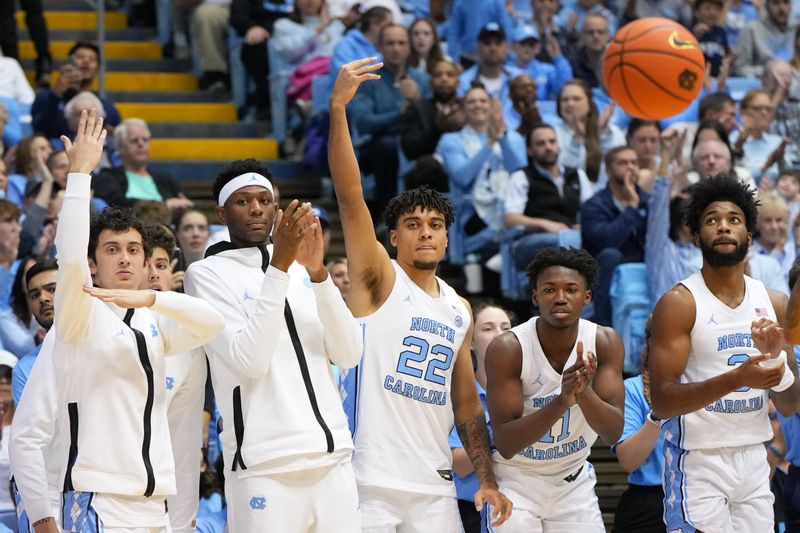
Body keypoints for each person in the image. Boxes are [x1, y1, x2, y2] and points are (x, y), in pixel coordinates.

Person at [9, 109, 225, 533]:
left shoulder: (153, 323)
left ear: (148, 262)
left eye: (132, 249)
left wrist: (154, 298)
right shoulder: (79, 314)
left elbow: (212, 323)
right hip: (96, 500)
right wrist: (80, 176)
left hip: (154, 505)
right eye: (111, 250)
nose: (124, 257)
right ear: (94, 263)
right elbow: (69, 255)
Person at [328, 57, 512, 530]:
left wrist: (487, 479)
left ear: (447, 238)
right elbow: (350, 199)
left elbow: (468, 404)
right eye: (412, 225)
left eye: (434, 226)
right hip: (368, 481)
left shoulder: (459, 307)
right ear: (394, 237)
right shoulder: (379, 279)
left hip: (434, 484)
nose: (425, 233)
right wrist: (338, 111)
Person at [183, 157, 363, 532]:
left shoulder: (301, 270)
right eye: (243, 201)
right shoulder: (205, 275)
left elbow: (349, 353)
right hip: (264, 461)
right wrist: (279, 267)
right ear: (221, 212)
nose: (255, 209)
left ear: (277, 209)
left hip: (331, 455)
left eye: (264, 200)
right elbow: (249, 362)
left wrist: (318, 272)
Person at [649, 172, 800, 533]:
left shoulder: (774, 302)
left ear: (749, 235)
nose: (723, 227)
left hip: (752, 456)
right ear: (696, 235)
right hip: (698, 460)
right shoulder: (678, 303)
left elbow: (791, 404)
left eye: (734, 220)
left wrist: (777, 360)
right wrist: (738, 378)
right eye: (712, 220)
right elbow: (663, 402)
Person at [484, 246, 625, 531]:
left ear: (586, 297)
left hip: (573, 483)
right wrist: (562, 401)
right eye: (549, 290)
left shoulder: (605, 341)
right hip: (516, 480)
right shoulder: (509, 348)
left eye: (571, 289)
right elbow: (507, 444)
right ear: (535, 297)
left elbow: (614, 432)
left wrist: (584, 392)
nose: (560, 298)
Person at [139, 223, 208, 533]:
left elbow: (185, 436)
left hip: (177, 488)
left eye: (162, 265)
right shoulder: (106, 327)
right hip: (119, 492)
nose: (154, 274)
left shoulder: (192, 336)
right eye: (146, 264)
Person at [350, 24, 431, 218]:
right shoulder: (368, 79)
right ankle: (387, 215)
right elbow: (363, 122)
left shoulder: (422, 80)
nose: (396, 48)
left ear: (409, 47)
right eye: (390, 43)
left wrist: (418, 101)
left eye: (401, 43)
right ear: (380, 46)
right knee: (388, 147)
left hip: (415, 142)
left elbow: (432, 124)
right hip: (378, 146)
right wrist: (400, 113)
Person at [449, 302, 513, 532]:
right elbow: (460, 464)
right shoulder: (462, 393)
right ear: (472, 342)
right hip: (473, 507)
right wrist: (504, 431)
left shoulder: (526, 391)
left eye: (506, 328)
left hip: (521, 501)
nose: (499, 334)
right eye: (488, 328)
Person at [580, 146, 649, 326]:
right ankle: (604, 327)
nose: (630, 167)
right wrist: (631, 208)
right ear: (608, 171)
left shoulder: (649, 201)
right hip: (605, 269)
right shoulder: (593, 205)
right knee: (611, 254)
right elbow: (608, 240)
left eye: (634, 163)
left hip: (643, 265)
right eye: (623, 163)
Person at [611, 317, 666, 532]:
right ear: (651, 343)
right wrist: (658, 415)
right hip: (648, 501)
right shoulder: (633, 389)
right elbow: (628, 461)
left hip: (704, 496)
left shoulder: (708, 384)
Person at [93, 118, 193, 211]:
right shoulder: (108, 177)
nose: (141, 144)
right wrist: (164, 205)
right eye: (134, 140)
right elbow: (118, 205)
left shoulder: (166, 180)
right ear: (120, 147)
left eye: (145, 140)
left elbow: (185, 201)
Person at [30, 42, 121, 139]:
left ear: (97, 69)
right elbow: (38, 130)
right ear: (67, 63)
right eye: (80, 57)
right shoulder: (45, 98)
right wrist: (56, 95)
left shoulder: (106, 107)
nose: (86, 61)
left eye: (92, 59)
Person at [11, 258, 56, 406]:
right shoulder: (25, 370)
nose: (43, 298)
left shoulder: (105, 343)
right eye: (35, 295)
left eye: (52, 289)